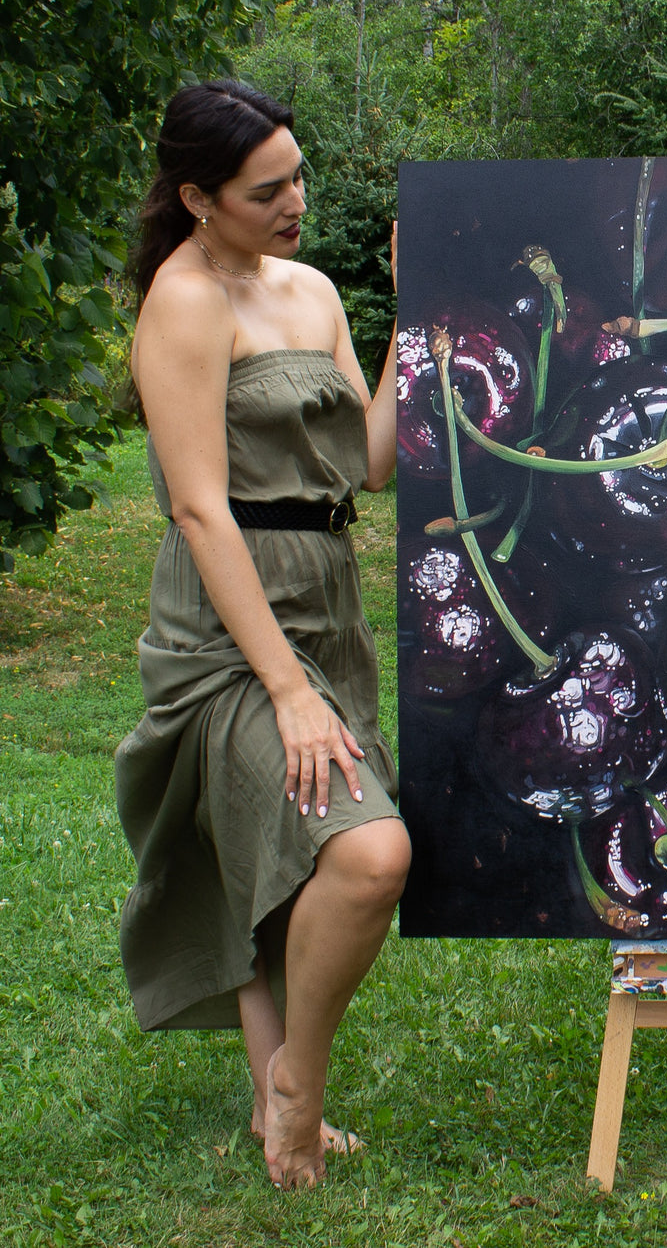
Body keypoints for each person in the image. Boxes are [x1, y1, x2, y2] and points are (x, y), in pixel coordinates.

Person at [115, 79, 409, 1191]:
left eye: (298, 174)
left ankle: (271, 1094)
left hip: (325, 601)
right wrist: (286, 690)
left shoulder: (312, 286)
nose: (296, 199)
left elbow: (367, 465)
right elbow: (199, 507)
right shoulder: (185, 303)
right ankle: (295, 1085)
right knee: (368, 854)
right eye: (266, 187)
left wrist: (411, 316)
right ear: (197, 197)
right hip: (231, 624)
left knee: (283, 857)